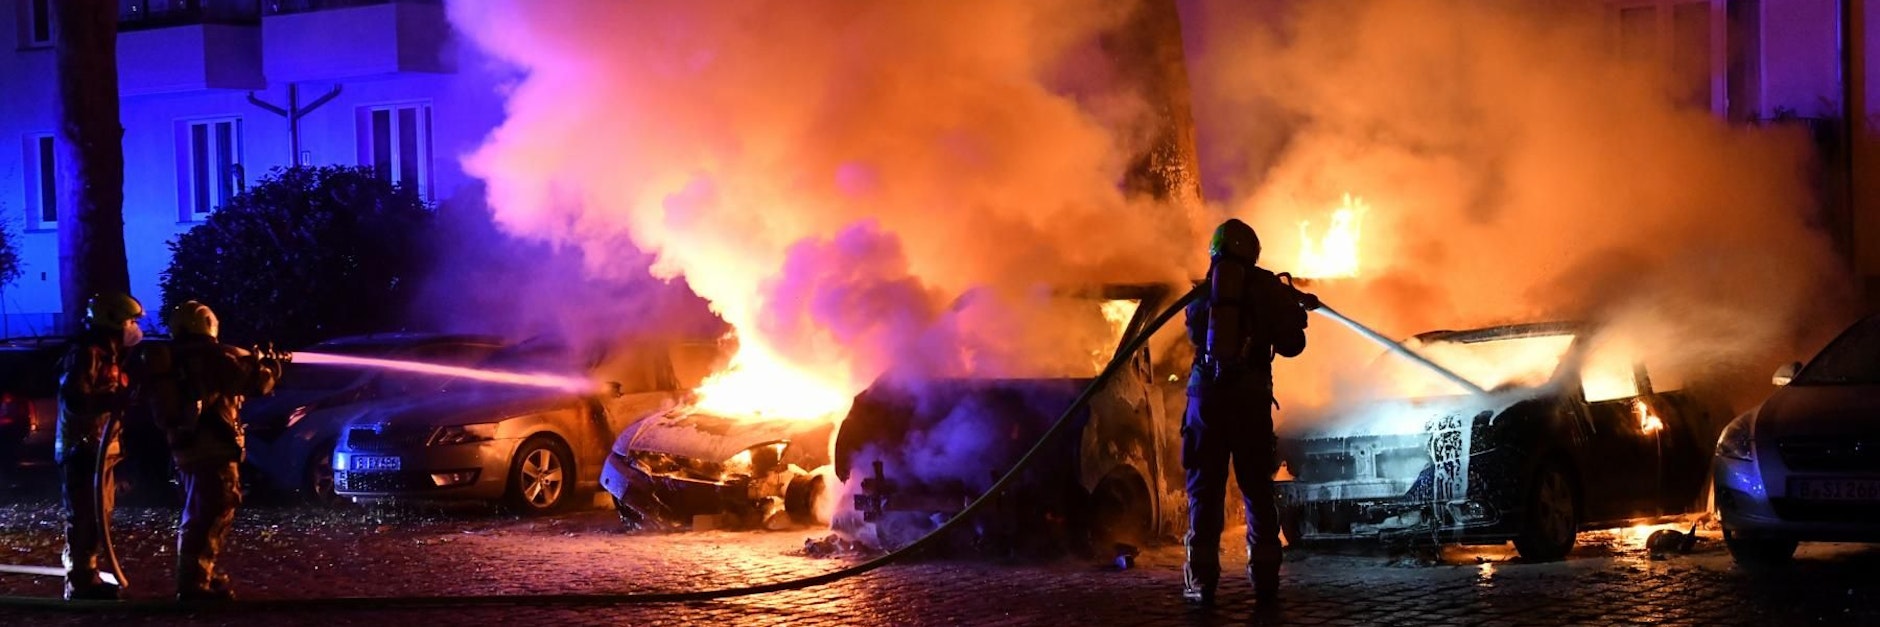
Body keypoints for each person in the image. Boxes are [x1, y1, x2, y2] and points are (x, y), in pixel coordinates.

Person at [1181, 219, 1312, 606]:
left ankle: (1201, 581)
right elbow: (1293, 345)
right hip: (1249, 402)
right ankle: (1265, 578)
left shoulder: (1203, 291)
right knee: (1256, 489)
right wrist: (1292, 312)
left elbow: (1193, 335)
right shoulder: (1267, 289)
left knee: (1204, 492)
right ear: (1253, 252)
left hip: (1205, 403)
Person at [143, 300, 280, 602]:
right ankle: (194, 585)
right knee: (211, 514)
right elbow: (257, 382)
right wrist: (271, 364)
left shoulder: (177, 358)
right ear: (209, 324)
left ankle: (201, 575)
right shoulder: (213, 357)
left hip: (188, 450)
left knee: (201, 513)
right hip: (213, 449)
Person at [56, 292, 145, 601]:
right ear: (112, 322)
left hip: (100, 451)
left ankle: (87, 577)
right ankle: (80, 582)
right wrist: (112, 400)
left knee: (98, 516)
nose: (134, 328)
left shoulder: (110, 356)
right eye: (130, 321)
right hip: (81, 450)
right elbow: (75, 399)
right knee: (83, 516)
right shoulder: (86, 354)